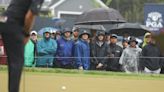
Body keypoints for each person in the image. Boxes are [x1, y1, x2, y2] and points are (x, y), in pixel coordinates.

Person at [0, 0, 44, 92]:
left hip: (3, 19)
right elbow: (30, 15)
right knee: (17, 62)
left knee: (13, 61)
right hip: (13, 24)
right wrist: (26, 33)